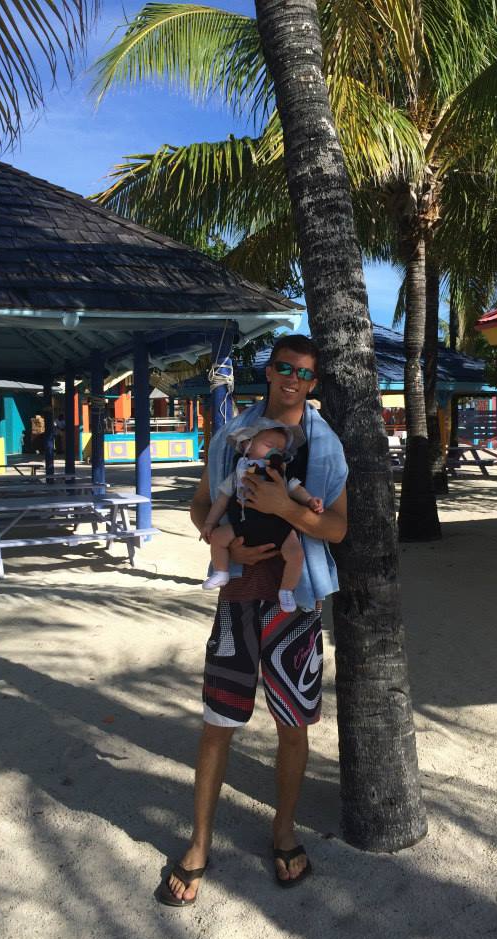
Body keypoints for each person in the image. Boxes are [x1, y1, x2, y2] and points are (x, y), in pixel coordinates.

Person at [157, 334, 348, 907]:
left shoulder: (325, 446)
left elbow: (337, 527)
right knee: (219, 721)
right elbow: (200, 501)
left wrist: (285, 509)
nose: (293, 379)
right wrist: (221, 544)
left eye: (305, 374)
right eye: (285, 368)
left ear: (314, 384)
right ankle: (198, 844)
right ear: (269, 371)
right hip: (237, 597)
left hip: (298, 602)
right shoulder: (233, 433)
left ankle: (283, 831)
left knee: (294, 723)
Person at [201, 419, 324, 612]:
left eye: (280, 450)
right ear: (246, 446)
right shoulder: (238, 474)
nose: (275, 452)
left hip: (278, 527)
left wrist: (310, 501)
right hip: (245, 524)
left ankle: (286, 590)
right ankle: (221, 571)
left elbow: (295, 488)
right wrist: (209, 523)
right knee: (218, 537)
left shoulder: (280, 474)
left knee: (296, 554)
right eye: (269, 446)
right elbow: (222, 500)